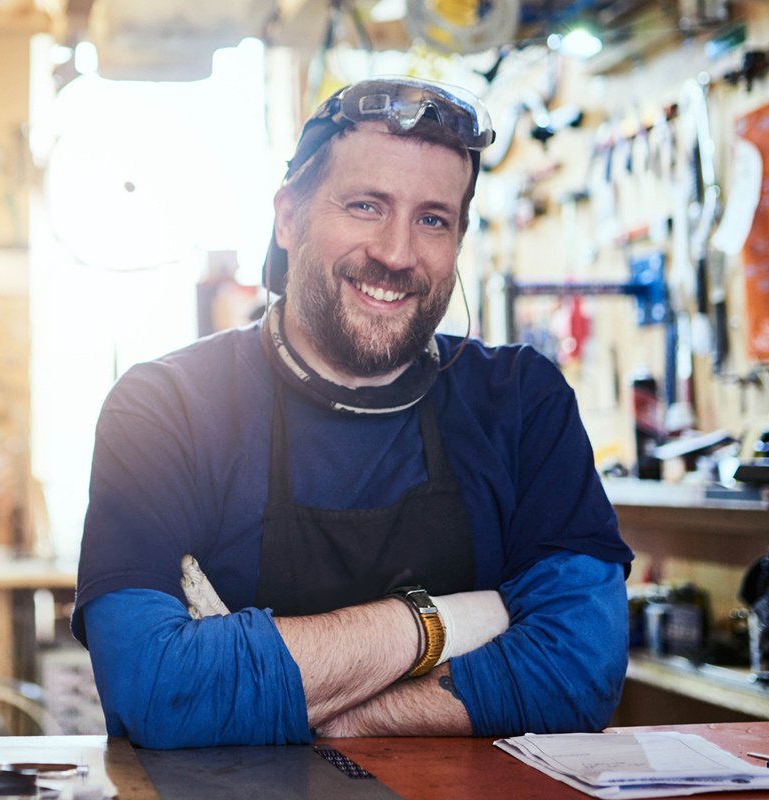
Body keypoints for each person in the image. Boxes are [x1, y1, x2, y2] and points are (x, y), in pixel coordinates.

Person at [72, 76, 634, 749]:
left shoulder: (520, 401)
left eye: (433, 219)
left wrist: (335, 715)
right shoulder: (168, 409)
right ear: (288, 216)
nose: (397, 254)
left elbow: (577, 673)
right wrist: (443, 624)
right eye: (366, 205)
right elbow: (153, 687)